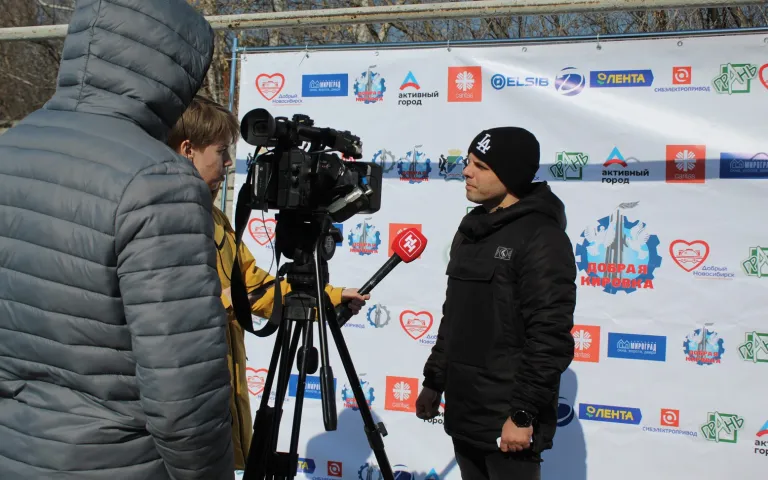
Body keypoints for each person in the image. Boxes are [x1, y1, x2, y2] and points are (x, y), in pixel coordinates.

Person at [0, 2, 236, 479]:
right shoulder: (159, 181)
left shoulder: (10, 149)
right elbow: (183, 389)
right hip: (118, 460)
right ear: (175, 67)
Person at [166, 95, 370, 469]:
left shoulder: (214, 219)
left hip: (220, 391)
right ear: (187, 150)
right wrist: (216, 302)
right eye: (221, 152)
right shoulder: (155, 221)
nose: (229, 163)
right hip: (181, 401)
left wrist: (331, 296)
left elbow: (252, 288)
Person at [415, 127, 577, 480]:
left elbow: (549, 336)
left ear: (511, 175)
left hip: (508, 421)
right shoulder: (471, 229)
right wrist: (434, 381)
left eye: (481, 166)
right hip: (464, 411)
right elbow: (453, 318)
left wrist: (522, 414)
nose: (466, 171)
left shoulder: (542, 237)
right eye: (468, 162)